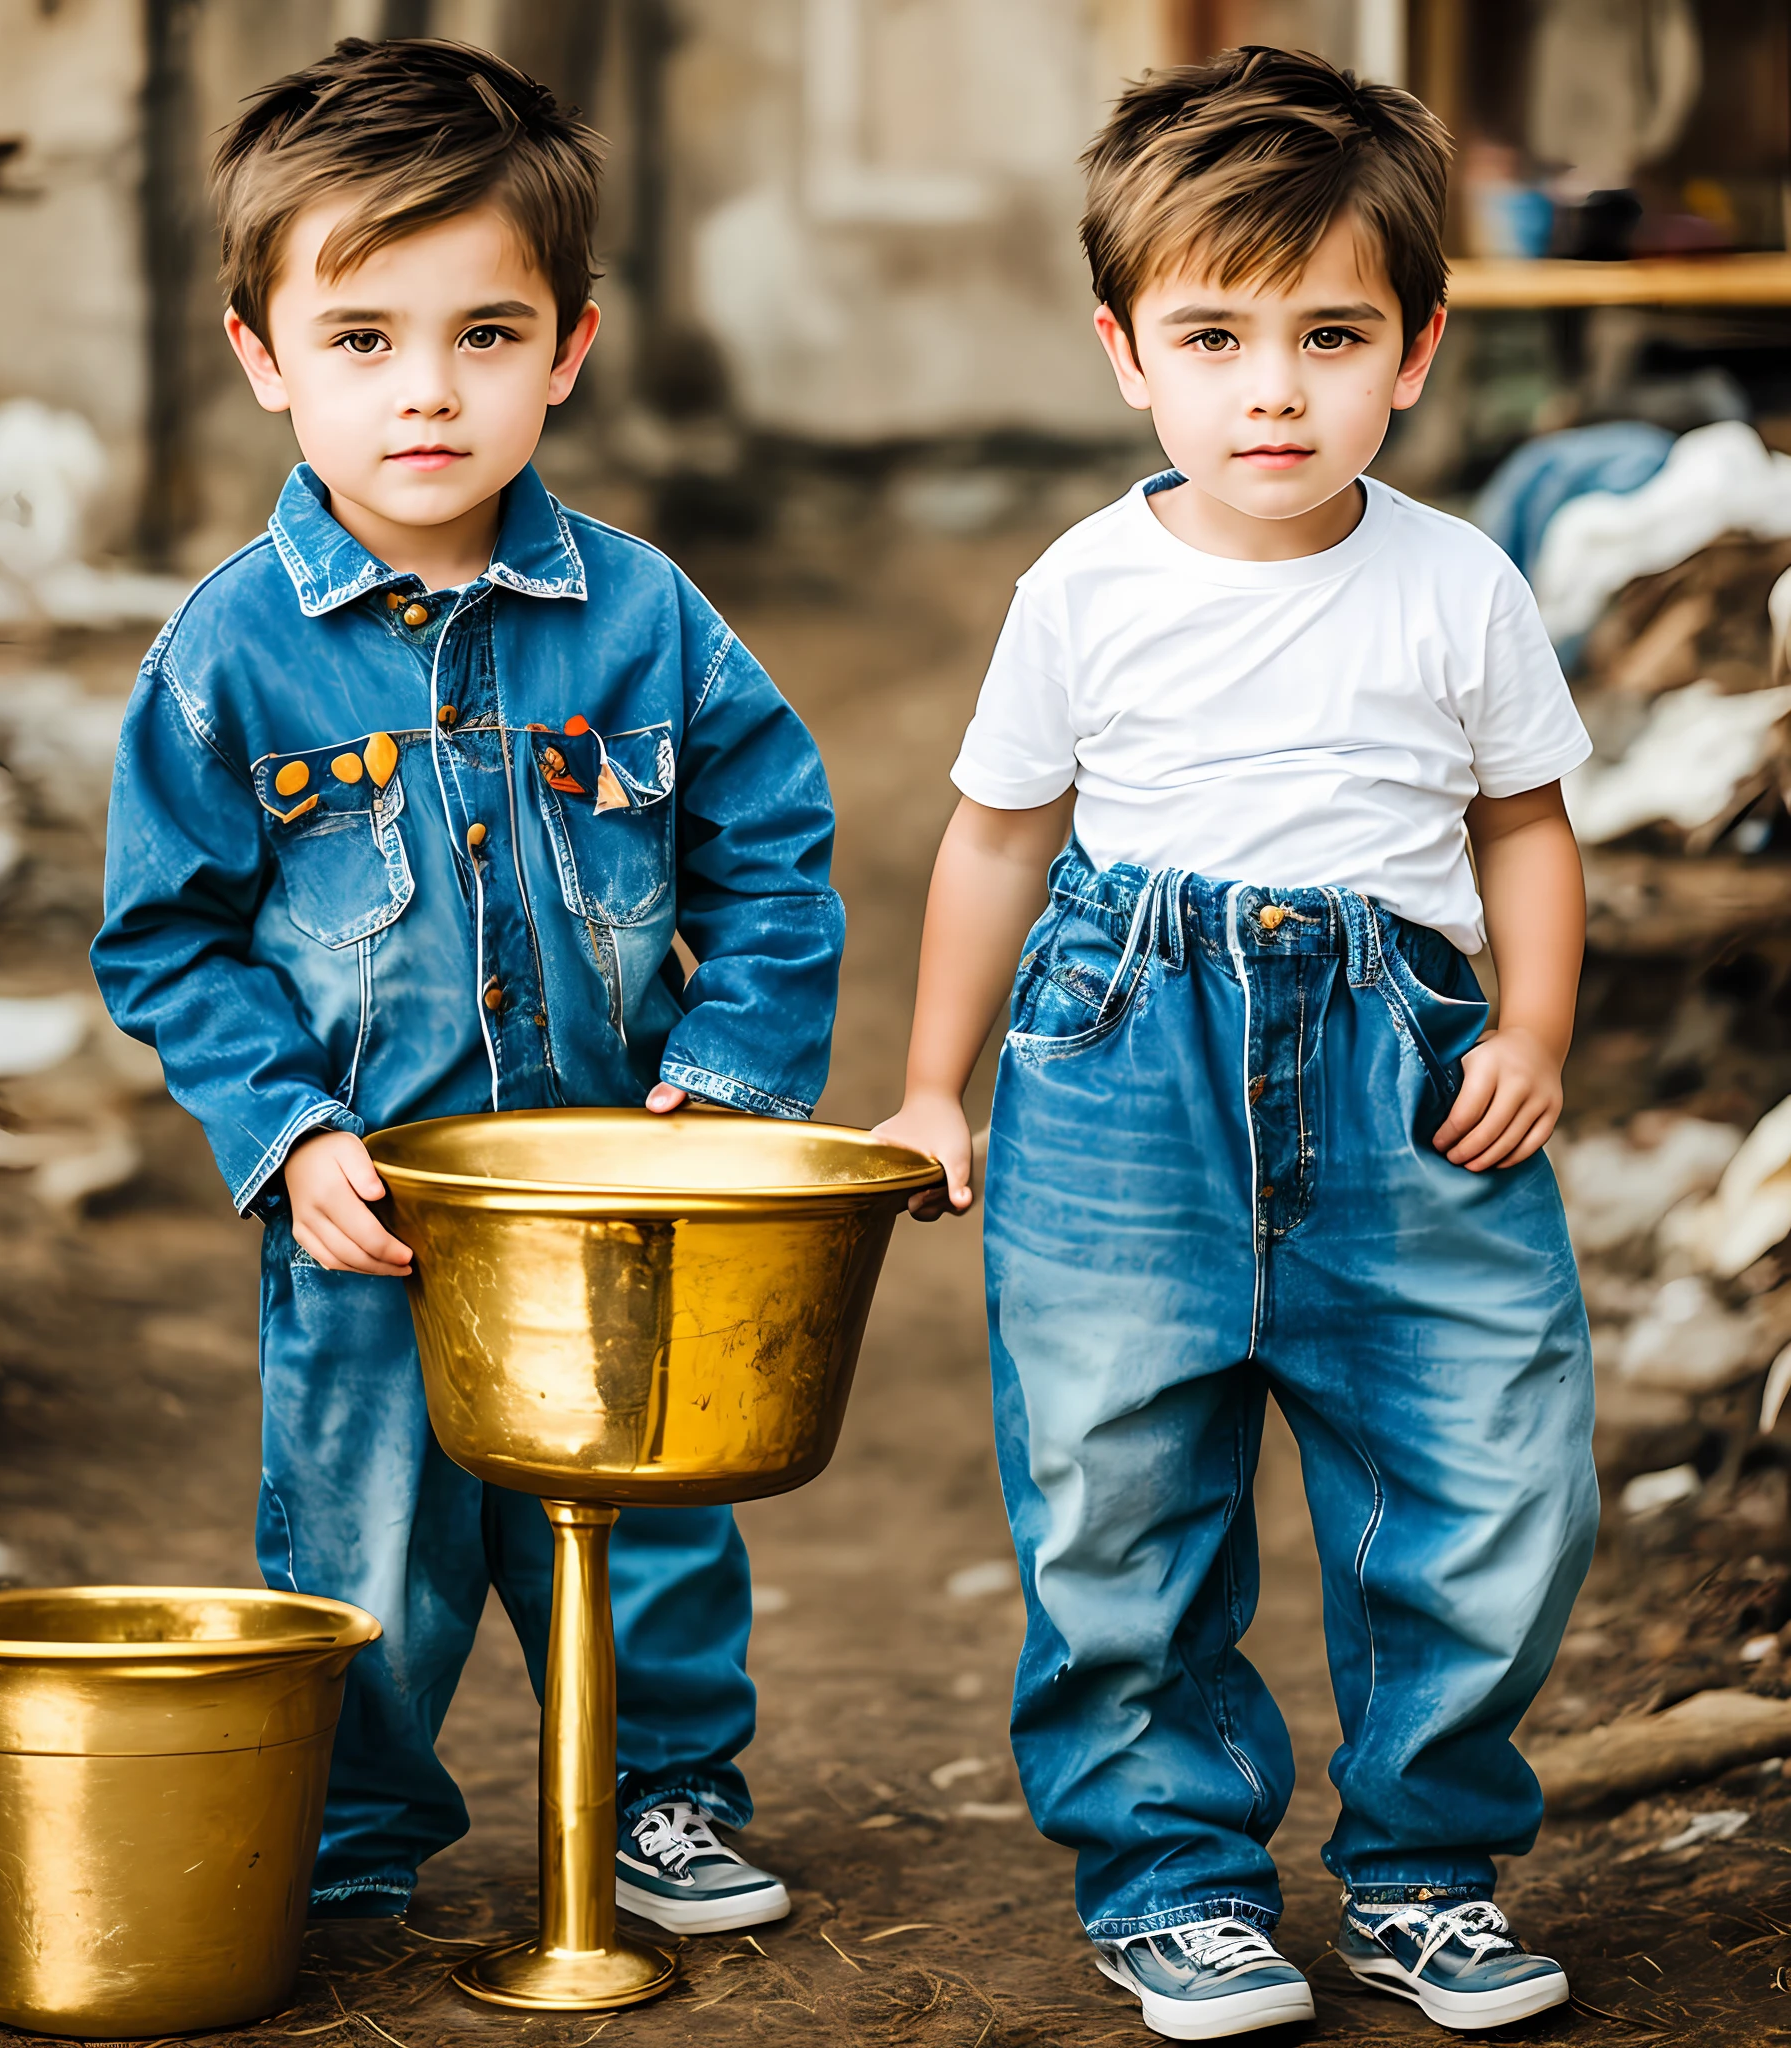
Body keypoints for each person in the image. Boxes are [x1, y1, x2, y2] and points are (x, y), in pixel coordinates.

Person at [874, 47, 1595, 2043]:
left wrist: (1531, 1019)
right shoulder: (1084, 590)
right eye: (1214, 334)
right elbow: (997, 837)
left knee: (1489, 1465)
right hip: (1125, 1069)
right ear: (1125, 353)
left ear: (1415, 350)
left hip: (1407, 1077)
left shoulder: (1459, 585)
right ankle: (1174, 1875)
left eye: (1329, 332)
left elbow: (1523, 824)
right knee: (1115, 1491)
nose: (1270, 386)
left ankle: (1423, 1866)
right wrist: (938, 1080)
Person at [92, 36, 840, 1936]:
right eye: (362, 339)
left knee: (655, 1523)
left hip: (618, 1189)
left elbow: (773, 847)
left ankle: (666, 1798)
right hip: (375, 1217)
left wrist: (731, 1085)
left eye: (486, 336)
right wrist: (283, 1138)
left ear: (571, 346)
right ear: (260, 353)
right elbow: (163, 938)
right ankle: (350, 1842)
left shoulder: (650, 617)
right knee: (370, 1542)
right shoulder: (226, 661)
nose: (428, 392)